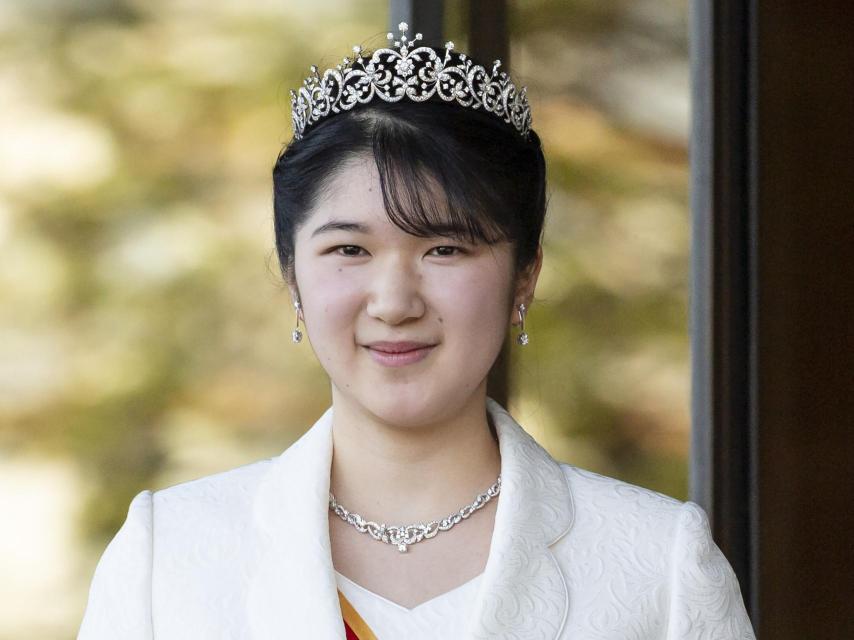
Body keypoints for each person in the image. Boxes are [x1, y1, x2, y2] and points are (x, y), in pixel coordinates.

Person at [78, 23, 756, 640]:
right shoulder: (170, 553)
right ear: (292, 279)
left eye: (445, 249)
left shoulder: (657, 561)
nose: (395, 302)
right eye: (350, 250)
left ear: (525, 275)